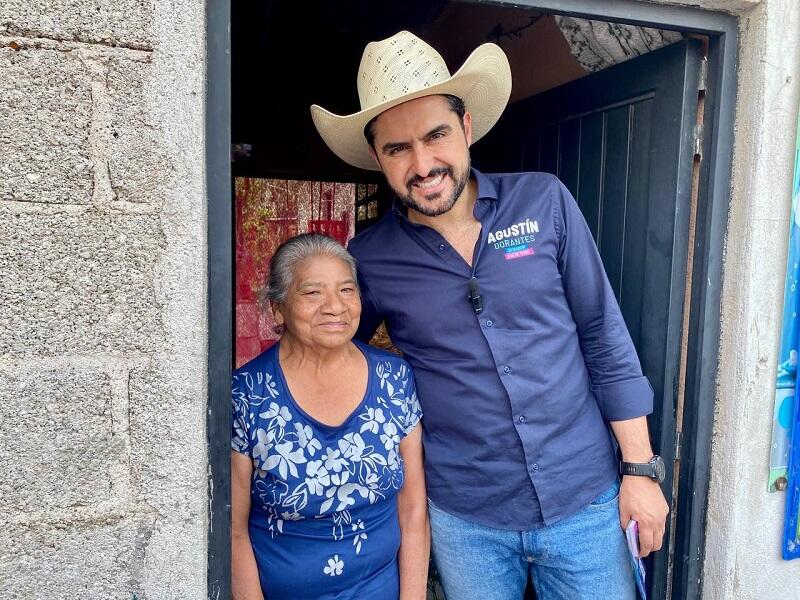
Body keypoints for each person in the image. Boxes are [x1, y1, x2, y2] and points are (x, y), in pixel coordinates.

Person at [310, 31, 670, 599]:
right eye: (398, 148)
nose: (424, 164)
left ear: (467, 128)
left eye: (436, 135)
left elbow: (603, 333)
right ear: (377, 158)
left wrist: (641, 472)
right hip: (464, 517)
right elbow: (331, 354)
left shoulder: (544, 201)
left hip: (586, 499)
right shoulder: (371, 256)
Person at [230, 233, 429, 600]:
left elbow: (413, 508)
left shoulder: (393, 379)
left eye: (347, 290)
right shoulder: (247, 394)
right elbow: (234, 529)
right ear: (277, 308)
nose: (335, 307)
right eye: (312, 293)